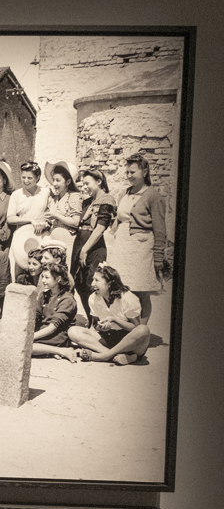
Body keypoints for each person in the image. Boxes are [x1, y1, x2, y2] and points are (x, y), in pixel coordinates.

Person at [0, 263, 80, 362]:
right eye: (42, 276)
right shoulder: (45, 295)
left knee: (23, 346)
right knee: (11, 333)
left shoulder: (67, 299)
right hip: (41, 329)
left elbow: (53, 328)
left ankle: (61, 351)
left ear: (58, 279)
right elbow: (34, 314)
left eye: (47, 277)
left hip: (57, 335)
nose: (43, 280)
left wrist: (30, 337)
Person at [107, 154, 165, 324]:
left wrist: (159, 257)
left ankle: (141, 331)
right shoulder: (124, 192)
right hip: (122, 246)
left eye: (133, 172)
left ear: (145, 171)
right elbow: (119, 218)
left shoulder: (153, 196)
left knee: (141, 291)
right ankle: (127, 328)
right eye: (127, 172)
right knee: (121, 289)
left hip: (141, 249)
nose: (129, 175)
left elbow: (160, 230)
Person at [69, 264, 152, 365]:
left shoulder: (128, 298)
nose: (92, 284)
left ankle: (104, 356)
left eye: (97, 280)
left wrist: (114, 319)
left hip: (129, 340)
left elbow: (135, 327)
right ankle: (118, 356)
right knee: (73, 331)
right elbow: (94, 325)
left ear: (109, 284)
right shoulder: (93, 298)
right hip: (107, 338)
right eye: (92, 280)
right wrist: (100, 327)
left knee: (143, 329)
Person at [72, 169, 116, 316]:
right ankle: (91, 318)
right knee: (79, 283)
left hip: (94, 247)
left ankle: (99, 319)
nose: (84, 187)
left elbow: (100, 228)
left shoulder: (107, 200)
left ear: (99, 182)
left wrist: (85, 250)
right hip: (80, 243)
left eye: (87, 183)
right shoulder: (87, 201)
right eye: (83, 184)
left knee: (93, 283)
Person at [6, 161, 50, 282]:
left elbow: (51, 213)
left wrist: (45, 223)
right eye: (23, 177)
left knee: (41, 274)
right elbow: (10, 218)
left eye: (30, 178)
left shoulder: (46, 192)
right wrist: (31, 220)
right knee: (18, 273)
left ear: (37, 178)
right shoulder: (16, 195)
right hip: (21, 238)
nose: (26, 180)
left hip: (41, 238)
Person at [38, 162, 82, 259]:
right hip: (52, 242)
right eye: (53, 180)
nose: (54, 183)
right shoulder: (53, 199)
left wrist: (56, 216)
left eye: (58, 180)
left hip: (67, 242)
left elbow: (75, 222)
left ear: (68, 182)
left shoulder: (73, 197)